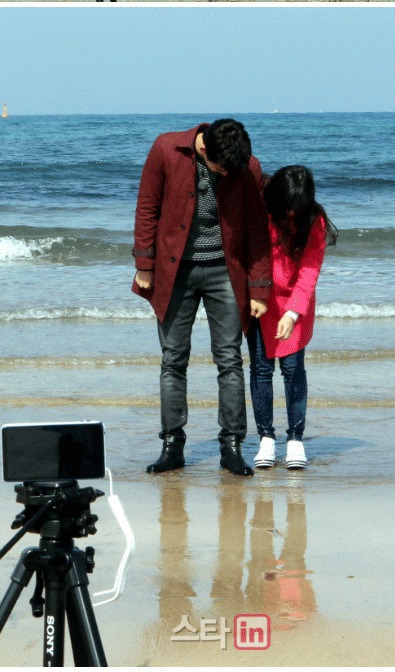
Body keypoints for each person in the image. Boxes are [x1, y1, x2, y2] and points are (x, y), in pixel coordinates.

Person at [132, 119, 272, 476]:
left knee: (229, 359)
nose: (227, 174)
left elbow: (257, 228)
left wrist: (259, 287)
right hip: (174, 270)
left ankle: (231, 446)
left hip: (226, 271)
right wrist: (144, 264)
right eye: (221, 168)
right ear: (204, 149)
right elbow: (147, 207)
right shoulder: (166, 149)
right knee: (173, 360)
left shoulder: (246, 166)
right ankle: (172, 445)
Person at [246, 165, 338, 469]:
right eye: (287, 206)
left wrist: (293, 312)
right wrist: (255, 294)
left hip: (295, 302)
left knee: (293, 368)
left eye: (296, 207)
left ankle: (296, 439)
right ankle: (266, 438)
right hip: (260, 296)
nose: (290, 213)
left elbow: (309, 270)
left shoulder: (314, 221)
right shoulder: (262, 212)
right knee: (261, 369)